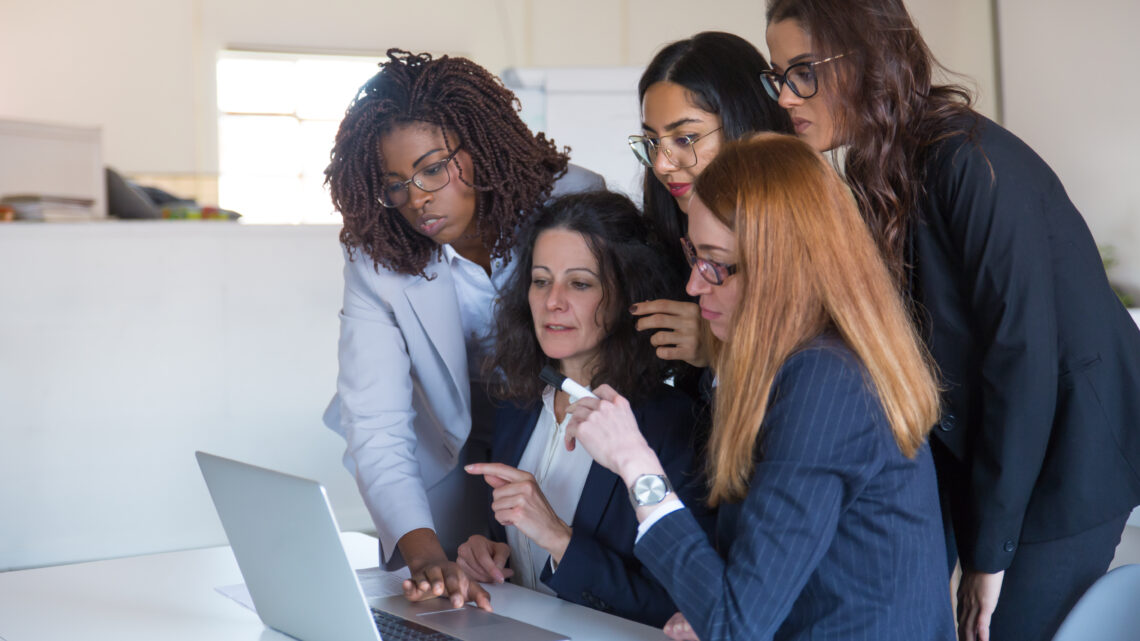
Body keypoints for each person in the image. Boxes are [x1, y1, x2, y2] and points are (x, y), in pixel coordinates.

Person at [762, 2, 1140, 640]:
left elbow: (1020, 362)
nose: (786, 96)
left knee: (999, 625)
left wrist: (987, 556)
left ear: (862, 59)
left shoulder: (968, 161)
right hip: (994, 441)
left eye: (802, 71)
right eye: (777, 75)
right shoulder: (876, 165)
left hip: (1074, 451)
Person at [566, 133, 956, 641]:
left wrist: (635, 463)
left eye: (716, 264)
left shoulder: (825, 383)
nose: (693, 284)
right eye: (694, 253)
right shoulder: (798, 366)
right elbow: (756, 591)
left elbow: (737, 625)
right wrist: (710, 611)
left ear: (782, 270)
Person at [322, 49, 602, 611]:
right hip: (446, 444)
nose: (417, 199)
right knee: (445, 601)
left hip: (556, 427)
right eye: (395, 184)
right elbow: (375, 416)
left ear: (480, 143)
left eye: (432, 168)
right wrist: (423, 552)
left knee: (552, 590)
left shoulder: (572, 200)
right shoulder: (379, 252)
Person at [457, 191, 711, 627]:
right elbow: (511, 540)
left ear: (627, 294)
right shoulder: (516, 404)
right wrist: (490, 550)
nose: (553, 301)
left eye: (580, 283)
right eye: (540, 280)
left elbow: (676, 607)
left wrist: (558, 539)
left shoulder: (675, 425)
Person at [627, 32, 792, 375]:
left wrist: (718, 350)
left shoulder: (804, 241)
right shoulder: (659, 237)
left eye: (685, 138)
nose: (661, 164)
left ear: (744, 126)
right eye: (652, 141)